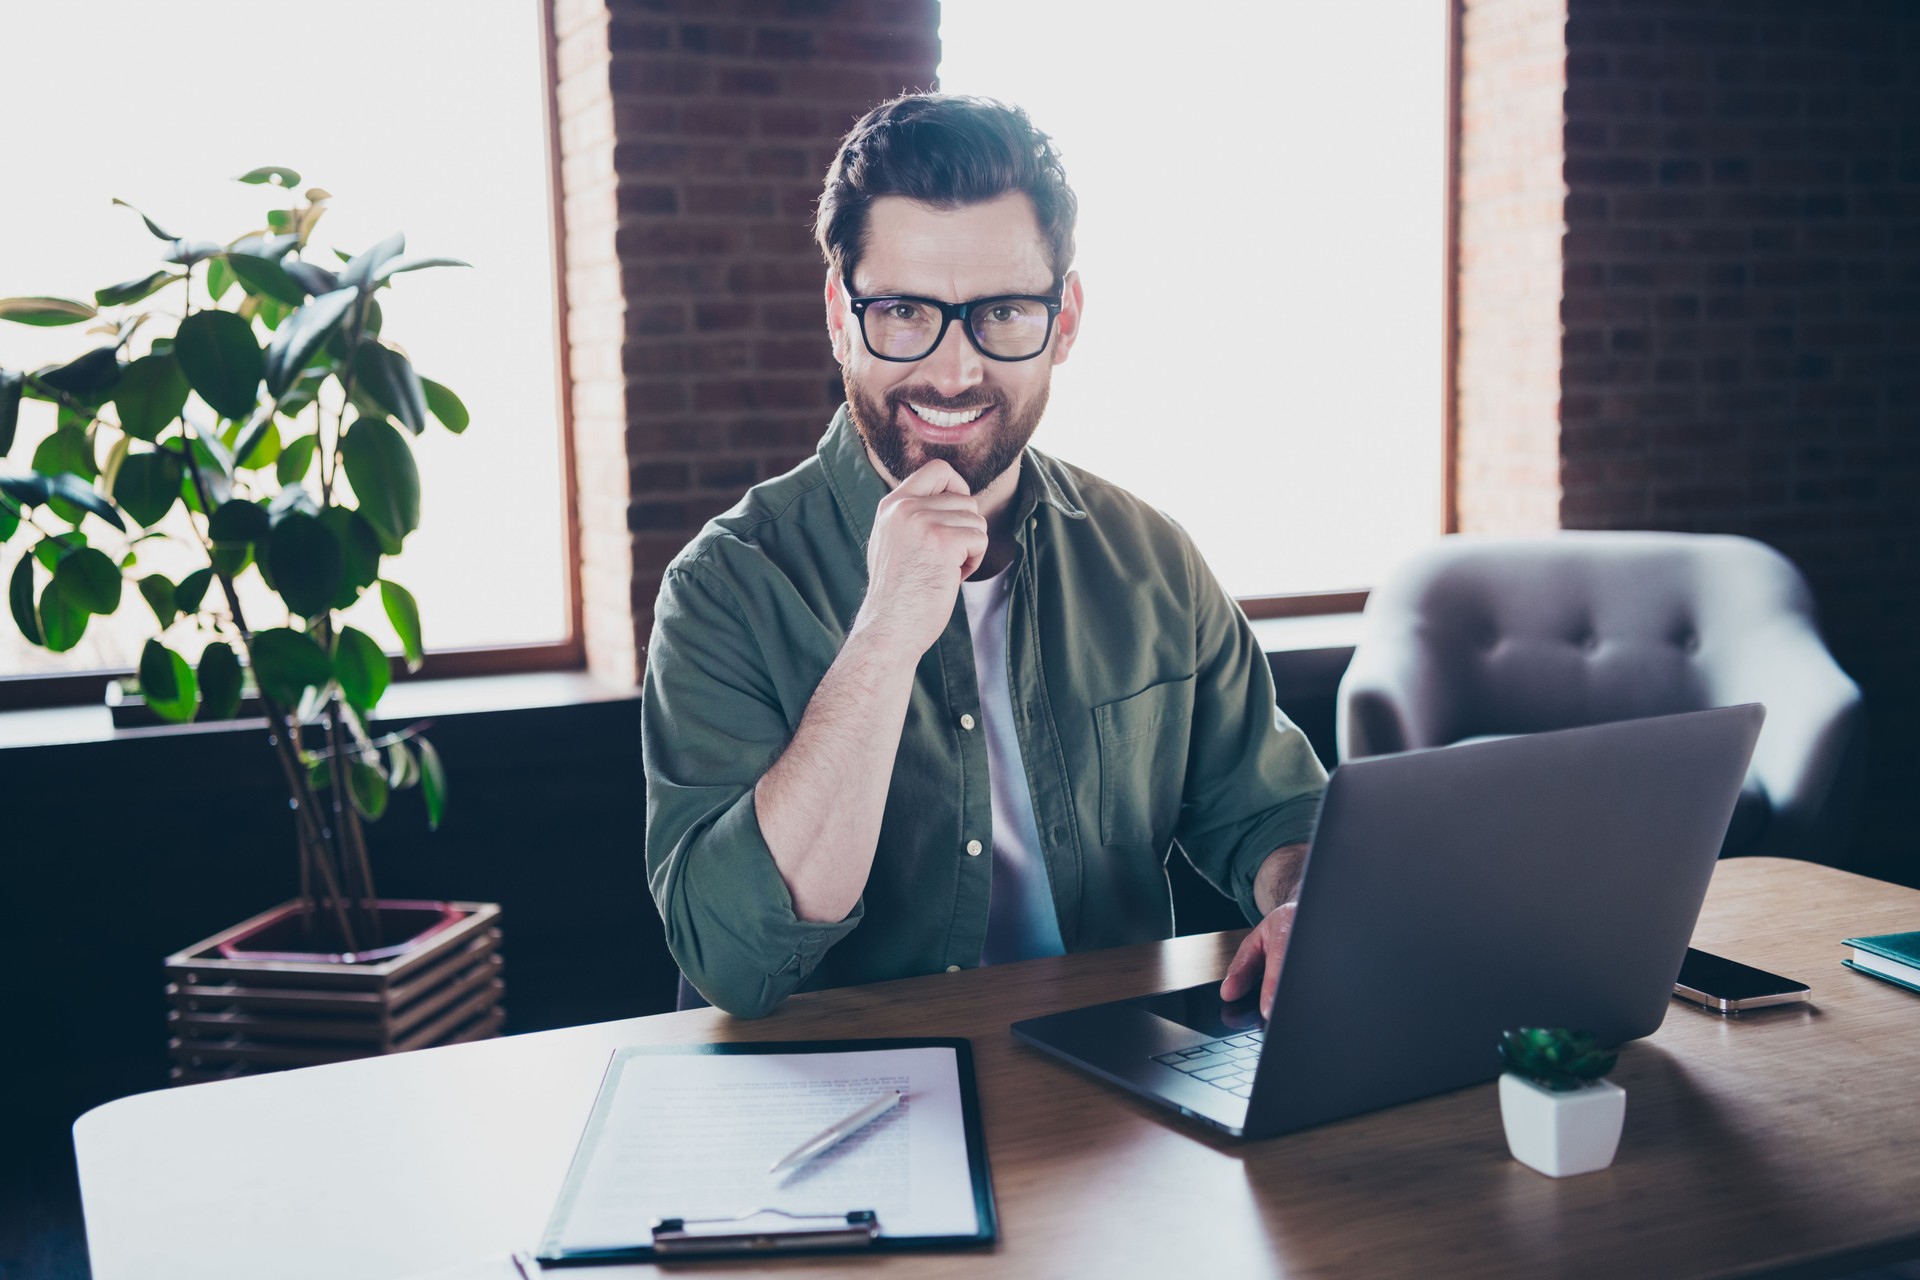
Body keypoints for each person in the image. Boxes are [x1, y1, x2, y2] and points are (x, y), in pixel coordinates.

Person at [642, 94, 1326, 1019]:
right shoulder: (725, 587)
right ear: (842, 316)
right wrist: (886, 631)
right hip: (837, 1111)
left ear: (1067, 317)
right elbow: (729, 956)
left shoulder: (1152, 560)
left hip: (1106, 1093)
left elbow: (1278, 816)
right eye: (904, 312)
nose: (954, 371)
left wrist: (1300, 908)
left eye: (1002, 312)